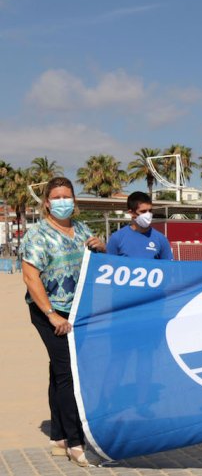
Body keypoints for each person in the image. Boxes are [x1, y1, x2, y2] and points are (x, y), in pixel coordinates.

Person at [20, 177, 106, 468]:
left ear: (74, 200)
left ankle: (58, 435)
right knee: (68, 372)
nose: (61, 201)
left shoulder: (81, 229)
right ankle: (75, 441)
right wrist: (51, 314)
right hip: (49, 312)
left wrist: (101, 247)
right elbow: (31, 277)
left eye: (66, 196)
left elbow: (94, 264)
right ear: (46, 202)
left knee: (60, 371)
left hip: (77, 311)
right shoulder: (37, 234)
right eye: (56, 197)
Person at [106, 191, 173, 260]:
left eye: (150, 211)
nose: (148, 215)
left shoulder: (161, 239)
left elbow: (169, 267)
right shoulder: (117, 238)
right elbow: (109, 264)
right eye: (143, 211)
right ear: (131, 213)